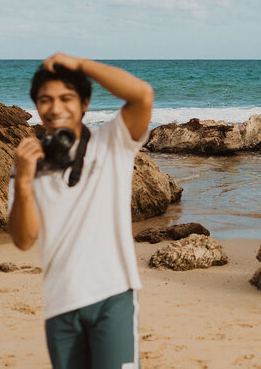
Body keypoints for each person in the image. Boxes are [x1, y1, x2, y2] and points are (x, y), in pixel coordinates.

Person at [8, 53, 153, 369]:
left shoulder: (111, 141)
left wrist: (81, 65)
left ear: (85, 102)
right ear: (36, 106)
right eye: (45, 100)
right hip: (60, 304)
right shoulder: (29, 165)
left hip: (112, 295)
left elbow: (142, 95)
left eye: (66, 98)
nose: (55, 108)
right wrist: (22, 181)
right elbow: (23, 239)